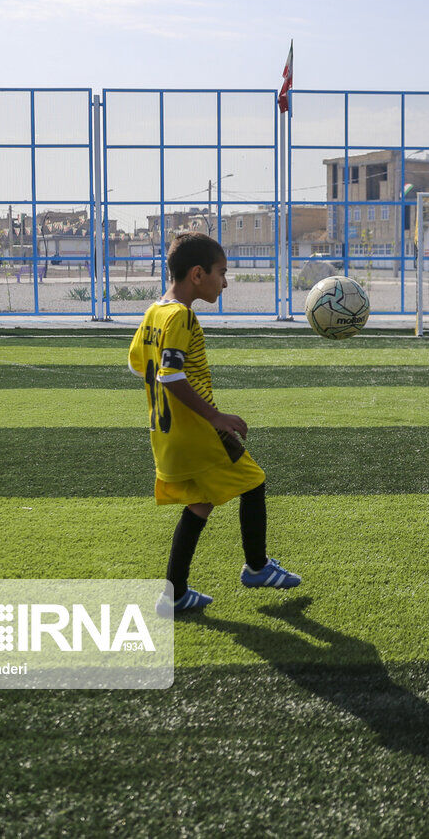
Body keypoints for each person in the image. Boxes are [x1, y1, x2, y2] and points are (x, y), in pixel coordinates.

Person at [127, 232, 301, 614]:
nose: (225, 282)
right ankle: (256, 567)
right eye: (221, 272)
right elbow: (169, 375)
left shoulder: (155, 311)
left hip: (166, 433)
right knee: (254, 482)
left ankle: (173, 594)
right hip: (199, 431)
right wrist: (215, 416)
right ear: (197, 274)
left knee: (200, 503)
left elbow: (137, 364)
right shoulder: (181, 315)